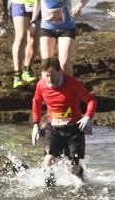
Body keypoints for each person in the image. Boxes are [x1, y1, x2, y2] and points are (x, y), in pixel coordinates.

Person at [29, 58, 97, 186]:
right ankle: (50, 192)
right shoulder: (41, 85)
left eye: (51, 75)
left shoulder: (72, 83)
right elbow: (36, 102)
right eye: (45, 76)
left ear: (59, 71)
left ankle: (82, 185)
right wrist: (35, 124)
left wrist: (87, 116)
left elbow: (91, 100)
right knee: (48, 160)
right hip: (54, 129)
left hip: (73, 130)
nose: (48, 80)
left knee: (73, 168)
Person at [32, 0, 89, 77]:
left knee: (64, 63)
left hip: (66, 27)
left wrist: (79, 6)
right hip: (47, 27)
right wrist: (33, 20)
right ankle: (47, 91)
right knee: (46, 63)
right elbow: (37, 1)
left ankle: (70, 88)